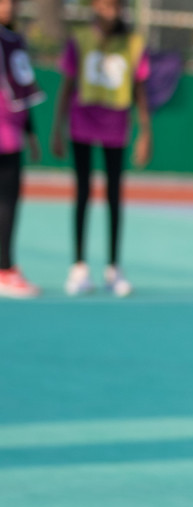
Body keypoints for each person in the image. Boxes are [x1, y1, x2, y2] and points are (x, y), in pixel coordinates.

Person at [50, 0, 151, 298]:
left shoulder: (133, 44)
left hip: (116, 126)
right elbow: (67, 86)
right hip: (82, 123)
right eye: (105, 6)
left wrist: (146, 131)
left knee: (114, 196)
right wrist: (58, 127)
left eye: (116, 6)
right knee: (82, 192)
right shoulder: (79, 40)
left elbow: (140, 90)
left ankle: (113, 267)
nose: (111, 12)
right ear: (95, 7)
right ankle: (79, 266)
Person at [0, 0, 42, 298]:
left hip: (10, 135)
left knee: (8, 203)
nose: (9, 5)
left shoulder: (15, 41)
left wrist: (31, 132)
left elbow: (23, 89)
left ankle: (4, 267)